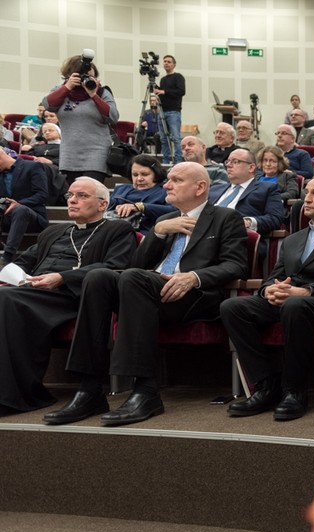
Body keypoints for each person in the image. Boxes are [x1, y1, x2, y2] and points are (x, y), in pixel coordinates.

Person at [46, 162, 248, 426]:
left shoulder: (224, 217)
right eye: (168, 180)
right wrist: (156, 232)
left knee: (132, 279)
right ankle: (89, 388)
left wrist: (194, 277)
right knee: (97, 277)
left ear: (200, 187)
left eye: (176, 180)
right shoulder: (164, 220)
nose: (166, 184)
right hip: (146, 288)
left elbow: (236, 264)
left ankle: (146, 390)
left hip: (192, 297)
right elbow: (136, 264)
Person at [221, 175, 314, 420]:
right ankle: (266, 385)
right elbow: (275, 276)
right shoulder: (291, 240)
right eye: (306, 192)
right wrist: (268, 290)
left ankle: (295, 390)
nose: (307, 199)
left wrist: (307, 291)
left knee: (295, 305)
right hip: (290, 299)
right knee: (232, 307)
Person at [0, 177, 135, 415]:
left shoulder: (117, 229)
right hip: (31, 292)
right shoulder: (53, 231)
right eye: (70, 195)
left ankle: (18, 396)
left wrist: (62, 278)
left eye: (82, 196)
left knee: (7, 300)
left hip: (73, 296)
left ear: (103, 205)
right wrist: (14, 276)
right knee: (7, 296)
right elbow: (22, 262)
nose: (72, 200)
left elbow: (115, 266)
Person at [42, 53, 119, 184]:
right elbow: (48, 105)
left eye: (91, 77)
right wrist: (67, 87)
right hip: (69, 153)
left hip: (97, 152)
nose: (87, 79)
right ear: (70, 75)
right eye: (83, 76)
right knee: (75, 194)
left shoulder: (102, 92)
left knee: (90, 192)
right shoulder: (60, 90)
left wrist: (93, 95)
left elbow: (113, 116)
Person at [209, 148, 283, 238]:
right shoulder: (214, 189)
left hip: (235, 237)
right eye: (227, 161)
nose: (228, 165)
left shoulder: (268, 188)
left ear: (251, 167)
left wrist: (248, 222)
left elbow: (275, 218)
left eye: (235, 162)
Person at [0, 148, 50, 266]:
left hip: (33, 216)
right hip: (7, 217)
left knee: (20, 209)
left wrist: (19, 203)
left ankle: (7, 256)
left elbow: (42, 195)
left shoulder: (32, 167)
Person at [106, 154, 174, 235]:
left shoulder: (165, 190)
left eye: (145, 174)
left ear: (156, 173)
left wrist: (140, 207)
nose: (139, 179)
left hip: (146, 235)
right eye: (135, 175)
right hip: (113, 232)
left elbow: (173, 211)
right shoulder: (121, 189)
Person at [154, 54, 185, 164]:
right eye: (165, 61)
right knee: (163, 139)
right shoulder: (163, 80)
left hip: (173, 112)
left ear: (174, 64)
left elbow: (181, 92)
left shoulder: (178, 77)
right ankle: (166, 161)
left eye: (169, 61)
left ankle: (178, 161)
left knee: (176, 138)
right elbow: (163, 95)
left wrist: (164, 91)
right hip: (162, 111)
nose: (166, 63)